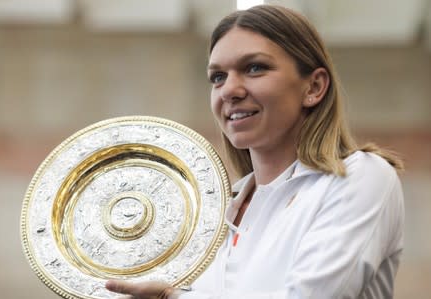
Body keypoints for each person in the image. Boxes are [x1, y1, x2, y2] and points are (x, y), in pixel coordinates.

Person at [106, 4, 405, 299]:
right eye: (218, 77)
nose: (229, 90)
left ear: (313, 87)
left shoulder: (360, 177)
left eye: (254, 68)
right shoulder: (216, 214)